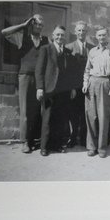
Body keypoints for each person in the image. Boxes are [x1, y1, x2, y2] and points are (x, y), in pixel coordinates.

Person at [1, 15, 49, 153]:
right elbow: (4, 32)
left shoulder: (46, 41)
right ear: (31, 25)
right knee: (25, 111)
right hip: (25, 77)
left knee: (36, 110)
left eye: (41, 25)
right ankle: (25, 142)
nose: (39, 27)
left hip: (40, 79)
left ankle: (34, 139)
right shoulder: (22, 38)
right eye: (36, 24)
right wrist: (23, 25)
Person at [35, 26, 81, 156]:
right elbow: (39, 70)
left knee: (61, 119)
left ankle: (57, 145)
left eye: (62, 35)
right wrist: (39, 88)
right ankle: (44, 147)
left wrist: (72, 88)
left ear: (65, 37)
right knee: (47, 119)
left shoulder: (67, 52)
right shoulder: (46, 49)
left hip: (63, 91)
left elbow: (71, 73)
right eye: (58, 35)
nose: (60, 37)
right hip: (49, 90)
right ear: (53, 36)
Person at [83, 27, 110, 158]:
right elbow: (87, 70)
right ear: (96, 36)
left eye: (104, 35)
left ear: (108, 36)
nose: (102, 38)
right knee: (91, 116)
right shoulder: (93, 51)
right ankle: (91, 147)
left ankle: (101, 148)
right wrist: (85, 83)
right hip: (92, 83)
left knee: (103, 117)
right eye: (99, 35)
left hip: (105, 83)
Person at [65, 21, 95, 148]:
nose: (81, 33)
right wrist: (71, 87)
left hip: (88, 86)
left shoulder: (92, 48)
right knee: (73, 113)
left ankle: (84, 139)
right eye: (79, 30)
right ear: (75, 31)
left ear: (86, 32)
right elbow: (67, 70)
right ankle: (72, 138)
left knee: (86, 113)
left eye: (83, 30)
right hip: (75, 87)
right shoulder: (69, 47)